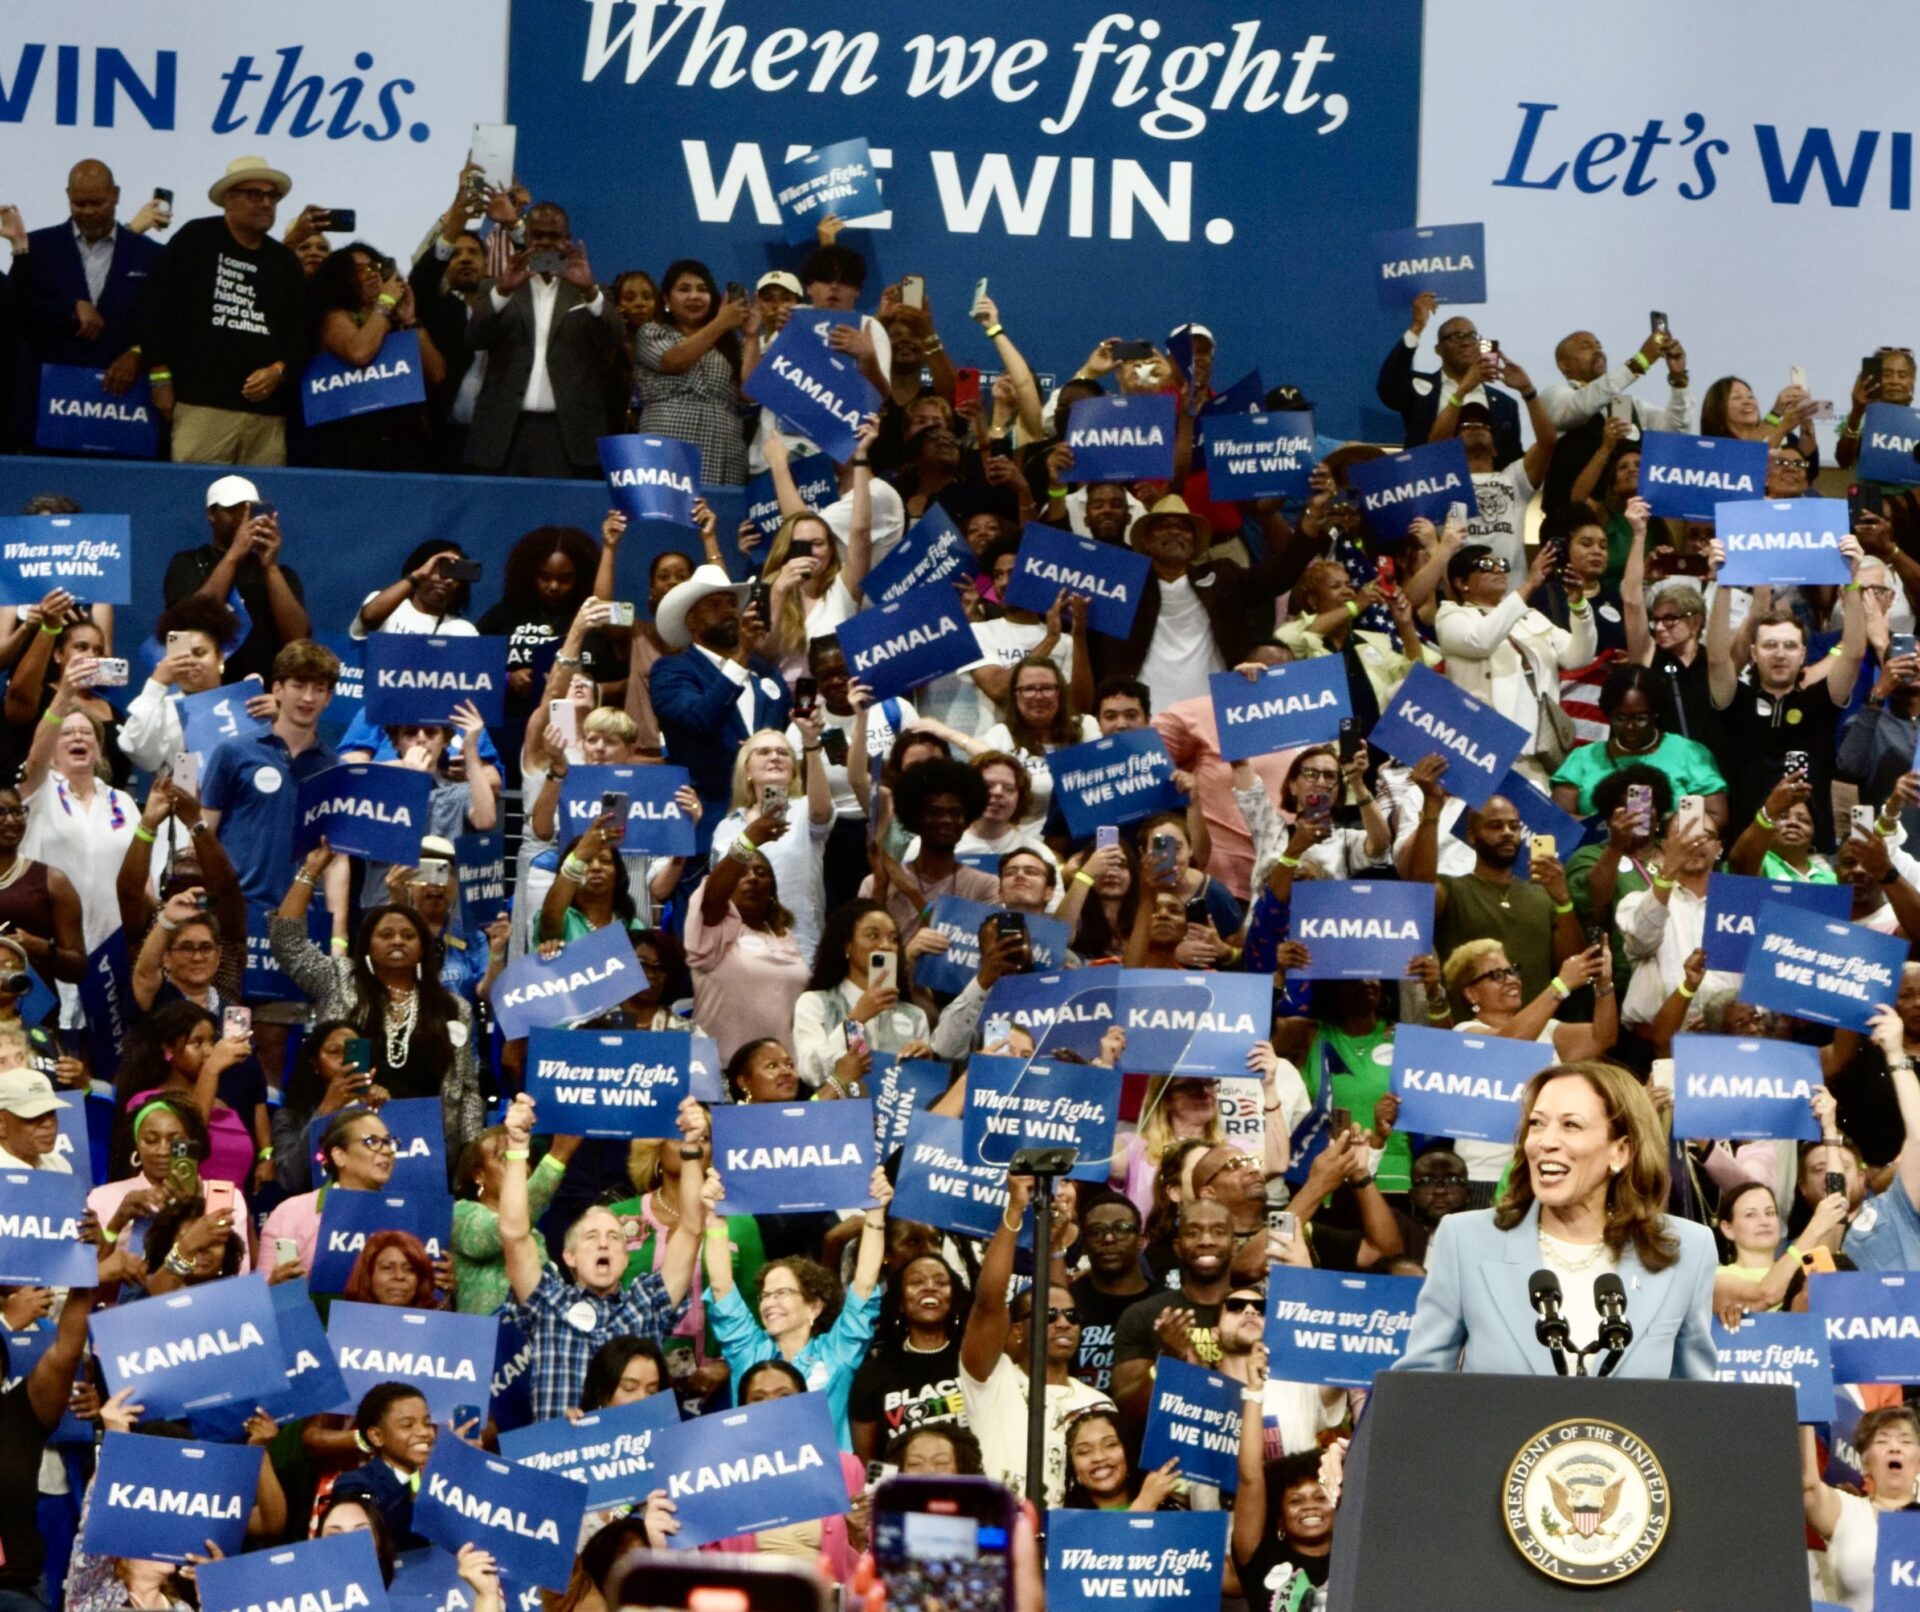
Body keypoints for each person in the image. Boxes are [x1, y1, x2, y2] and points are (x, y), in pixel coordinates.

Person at [1395, 1062, 1719, 1377]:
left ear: (1620, 1151)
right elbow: (1421, 1385)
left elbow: (1691, 1406)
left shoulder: (1687, 1249)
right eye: (1537, 1123)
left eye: (1570, 1125)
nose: (1545, 1142)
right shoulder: (1466, 1240)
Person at [498, 1093, 702, 1420]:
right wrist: (517, 1147)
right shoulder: (546, 1300)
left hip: (632, 1460)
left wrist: (691, 1148)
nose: (604, 1244)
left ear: (625, 1255)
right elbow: (513, 1233)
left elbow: (691, 1229)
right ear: (569, 1256)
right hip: (560, 1459)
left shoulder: (648, 1303)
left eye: (615, 1237)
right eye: (591, 1237)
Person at [272, 847, 483, 1153]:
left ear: (423, 947)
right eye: (386, 934)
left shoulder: (453, 1008)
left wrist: (470, 1156)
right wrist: (311, 871)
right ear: (367, 945)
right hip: (349, 1141)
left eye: (408, 935)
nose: (397, 940)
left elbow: (468, 1092)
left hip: (429, 1153)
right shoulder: (339, 980)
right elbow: (287, 944)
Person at [701, 1164, 892, 1448]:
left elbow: (863, 1284)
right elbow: (721, 1286)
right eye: (765, 1295)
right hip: (761, 1480)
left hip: (826, 1483)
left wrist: (875, 1215)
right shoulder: (748, 1351)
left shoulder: (837, 1352)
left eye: (783, 1293)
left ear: (813, 1307)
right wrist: (716, 1221)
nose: (770, 1302)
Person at [959, 1173, 1116, 1505]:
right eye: (1048, 1317)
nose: (1062, 1323)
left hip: (1064, 1542)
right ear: (1017, 1329)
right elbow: (989, 1301)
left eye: (1072, 1317)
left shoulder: (1098, 1405)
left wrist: (1056, 1249)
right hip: (997, 1537)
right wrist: (1016, 1207)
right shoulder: (993, 1380)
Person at [145, 156, 306, 464]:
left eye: (272, 196)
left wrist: (278, 371)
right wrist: (160, 378)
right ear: (229, 199)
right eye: (255, 195)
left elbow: (299, 334)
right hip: (202, 406)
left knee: (260, 506)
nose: (266, 203)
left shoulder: (284, 261)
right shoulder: (196, 239)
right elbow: (155, 307)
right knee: (198, 500)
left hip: (266, 415)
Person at [1707, 538, 1866, 847]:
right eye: (1770, 645)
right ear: (1753, 653)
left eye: (1790, 645)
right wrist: (1723, 584)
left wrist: (1853, 581)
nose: (1780, 654)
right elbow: (1716, 659)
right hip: (1746, 851)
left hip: (1812, 851)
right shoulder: (1735, 700)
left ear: (1804, 653)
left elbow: (1854, 654)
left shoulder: (1821, 701)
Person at [464, 200, 622, 476]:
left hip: (567, 433)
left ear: (567, 240)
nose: (546, 243)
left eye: (554, 236)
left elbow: (615, 338)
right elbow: (474, 338)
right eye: (538, 235)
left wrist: (589, 292)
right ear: (526, 238)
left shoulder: (592, 291)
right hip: (503, 431)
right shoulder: (496, 287)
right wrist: (503, 291)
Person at [7, 159, 162, 426]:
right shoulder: (38, 247)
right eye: (79, 204)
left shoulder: (150, 254)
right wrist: (69, 308)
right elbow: (16, 312)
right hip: (49, 404)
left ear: (116, 196)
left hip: (124, 406)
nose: (88, 211)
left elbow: (165, 321)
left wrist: (138, 353)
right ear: (68, 198)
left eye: (97, 203)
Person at [648, 565, 791, 854]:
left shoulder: (765, 672)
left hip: (774, 825)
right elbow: (699, 718)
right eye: (714, 605)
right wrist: (740, 658)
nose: (729, 611)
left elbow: (785, 728)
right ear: (691, 620)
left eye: (731, 603)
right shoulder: (672, 671)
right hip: (708, 822)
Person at [1434, 542, 1596, 780]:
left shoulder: (1529, 616)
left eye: (1501, 564)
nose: (1498, 570)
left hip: (1539, 748)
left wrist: (1578, 605)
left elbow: (1578, 657)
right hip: (1485, 748)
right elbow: (1482, 640)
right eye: (1486, 565)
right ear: (1462, 583)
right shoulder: (1451, 616)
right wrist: (1529, 584)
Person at [306, 241, 446, 470]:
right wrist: (386, 302)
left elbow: (437, 374)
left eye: (375, 267)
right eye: (361, 270)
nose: (371, 275)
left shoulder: (393, 319)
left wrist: (410, 321)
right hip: (351, 444)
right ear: (342, 279)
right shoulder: (333, 317)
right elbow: (359, 352)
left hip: (405, 443)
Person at [160, 476, 311, 684]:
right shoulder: (188, 562)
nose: (243, 518)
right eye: (234, 509)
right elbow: (186, 624)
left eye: (250, 511)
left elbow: (298, 639)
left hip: (262, 694)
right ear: (212, 514)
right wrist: (234, 555)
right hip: (199, 692)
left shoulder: (280, 573)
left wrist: (270, 566)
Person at [684, 819, 811, 1064]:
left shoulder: (787, 938)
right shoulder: (714, 930)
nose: (751, 878)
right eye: (740, 873)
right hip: (722, 1073)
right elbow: (712, 896)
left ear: (773, 890)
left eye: (760, 873)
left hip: (781, 1075)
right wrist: (747, 841)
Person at [1549, 662, 1728, 824]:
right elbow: (1556, 820)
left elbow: (1716, 817)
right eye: (1620, 718)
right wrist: (1613, 828)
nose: (1630, 726)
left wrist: (1658, 826)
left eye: (1640, 718)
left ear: (1655, 713)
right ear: (1608, 713)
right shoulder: (1583, 758)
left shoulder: (1689, 753)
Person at [1110, 1199, 1238, 1425]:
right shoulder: (1143, 1314)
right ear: (1177, 1247)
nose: (1206, 1241)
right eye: (1193, 1233)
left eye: (1218, 1232)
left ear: (1234, 1245)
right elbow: (1127, 1411)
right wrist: (1168, 1362)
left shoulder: (1255, 1312)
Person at [633, 259, 759, 486]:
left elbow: (751, 392)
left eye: (703, 290)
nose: (694, 296)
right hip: (668, 447)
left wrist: (750, 337)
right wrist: (721, 322)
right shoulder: (652, 332)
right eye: (684, 289)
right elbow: (675, 361)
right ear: (666, 299)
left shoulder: (730, 343)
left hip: (724, 451)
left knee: (719, 518)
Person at [793, 899, 932, 1092]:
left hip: (894, 1117)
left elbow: (919, 1090)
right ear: (847, 946)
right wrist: (855, 1019)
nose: (885, 945)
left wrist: (925, 1065)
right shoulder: (814, 1003)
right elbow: (811, 1073)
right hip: (837, 1116)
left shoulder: (915, 1015)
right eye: (873, 935)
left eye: (893, 939)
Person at [848, 1252, 970, 1465]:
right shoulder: (873, 1374)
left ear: (954, 1299)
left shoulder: (974, 1361)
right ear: (900, 1303)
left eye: (941, 1282)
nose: (930, 1287)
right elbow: (870, 1463)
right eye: (916, 1282)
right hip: (905, 1495)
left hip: (975, 1492)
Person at [1376, 294, 1523, 465]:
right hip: (1430, 483)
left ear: (1481, 347)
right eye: (1455, 337)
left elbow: (1514, 461)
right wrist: (1416, 328)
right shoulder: (1420, 389)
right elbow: (1388, 387)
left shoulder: (1506, 404)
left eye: (1471, 336)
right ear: (1438, 350)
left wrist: (1528, 391)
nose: (1465, 342)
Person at [451, 1122, 579, 1316]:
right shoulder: (460, 1214)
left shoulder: (534, 1233)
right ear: (479, 1174)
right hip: (483, 1341)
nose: (519, 1166)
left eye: (522, 1157)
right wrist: (557, 1157)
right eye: (505, 1156)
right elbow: (505, 1229)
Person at [1801, 1406, 1920, 1611]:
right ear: (1865, 1463)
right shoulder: (1847, 1510)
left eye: (1906, 1441)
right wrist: (1805, 1403)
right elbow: (1809, 1486)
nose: (1894, 1448)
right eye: (1882, 1441)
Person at [260, 1106, 398, 1272]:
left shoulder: (403, 1215)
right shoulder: (290, 1214)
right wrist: (276, 1284)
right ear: (340, 1156)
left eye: (388, 1142)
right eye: (373, 1142)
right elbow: (265, 1291)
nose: (387, 1150)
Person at [1061, 1407, 1179, 1512]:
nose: (1099, 1457)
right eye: (1084, 1451)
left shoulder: (1168, 1509)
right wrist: (1145, 1504)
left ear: (1128, 1451)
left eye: (1111, 1445)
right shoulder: (1065, 1521)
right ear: (1073, 1465)